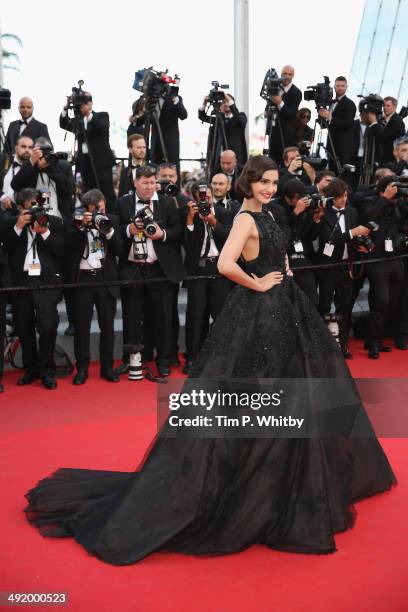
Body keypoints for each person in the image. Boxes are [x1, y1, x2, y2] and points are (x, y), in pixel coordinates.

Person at [24, 155, 396, 565]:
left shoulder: (270, 215)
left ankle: (286, 481)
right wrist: (257, 283)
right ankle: (256, 486)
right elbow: (224, 264)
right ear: (248, 184)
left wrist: (284, 272)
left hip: (286, 308)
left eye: (274, 182)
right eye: (263, 182)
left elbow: (279, 255)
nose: (270, 188)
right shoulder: (242, 220)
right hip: (260, 314)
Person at [3, 187, 64, 390]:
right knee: (24, 327)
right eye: (30, 208)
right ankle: (31, 369)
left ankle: (48, 369)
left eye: (37, 206)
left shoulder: (53, 222)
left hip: (45, 282)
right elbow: (7, 248)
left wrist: (44, 232)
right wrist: (19, 227)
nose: (36, 212)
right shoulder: (10, 223)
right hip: (21, 281)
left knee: (48, 326)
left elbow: (62, 250)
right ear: (20, 208)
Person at [66, 189, 124, 385]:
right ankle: (82, 368)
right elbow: (67, 247)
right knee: (82, 326)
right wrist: (81, 227)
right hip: (83, 280)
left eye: (100, 208)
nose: (97, 213)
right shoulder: (76, 221)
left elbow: (121, 249)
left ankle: (107, 367)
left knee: (107, 326)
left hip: (105, 278)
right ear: (85, 209)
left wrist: (107, 231)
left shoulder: (112, 220)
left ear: (104, 205)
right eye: (93, 210)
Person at [59, 92, 116, 212]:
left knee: (106, 193)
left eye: (86, 103)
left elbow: (102, 128)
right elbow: (64, 124)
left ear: (91, 103)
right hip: (85, 164)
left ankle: (110, 217)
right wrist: (66, 107)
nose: (83, 105)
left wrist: (88, 114)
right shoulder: (78, 121)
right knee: (89, 195)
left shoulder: (102, 115)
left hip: (101, 164)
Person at [317, 76, 357, 170]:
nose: (340, 88)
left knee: (343, 174)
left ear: (346, 87)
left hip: (344, 148)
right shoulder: (330, 103)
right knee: (331, 172)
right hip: (331, 145)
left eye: (342, 86)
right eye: (338, 85)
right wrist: (322, 116)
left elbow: (348, 124)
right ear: (334, 87)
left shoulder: (350, 104)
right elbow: (326, 125)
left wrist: (330, 118)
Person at [266, 65, 302, 164]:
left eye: (290, 74)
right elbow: (268, 106)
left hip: (287, 137)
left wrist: (280, 103)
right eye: (284, 74)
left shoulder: (297, 92)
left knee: (286, 163)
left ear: (293, 76)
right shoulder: (274, 89)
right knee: (272, 162)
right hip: (273, 134)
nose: (287, 76)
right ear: (280, 75)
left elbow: (292, 113)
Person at [1, 135, 34, 212]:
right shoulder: (3, 160)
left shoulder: (35, 168)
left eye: (30, 147)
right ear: (16, 148)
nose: (27, 150)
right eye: (23, 146)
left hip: (25, 214)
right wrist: (2, 197)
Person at [380, 97, 406, 164]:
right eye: (384, 106)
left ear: (395, 107)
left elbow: (383, 137)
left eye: (388, 106)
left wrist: (374, 123)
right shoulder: (385, 119)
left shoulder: (396, 121)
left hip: (391, 160)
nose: (385, 108)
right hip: (386, 158)